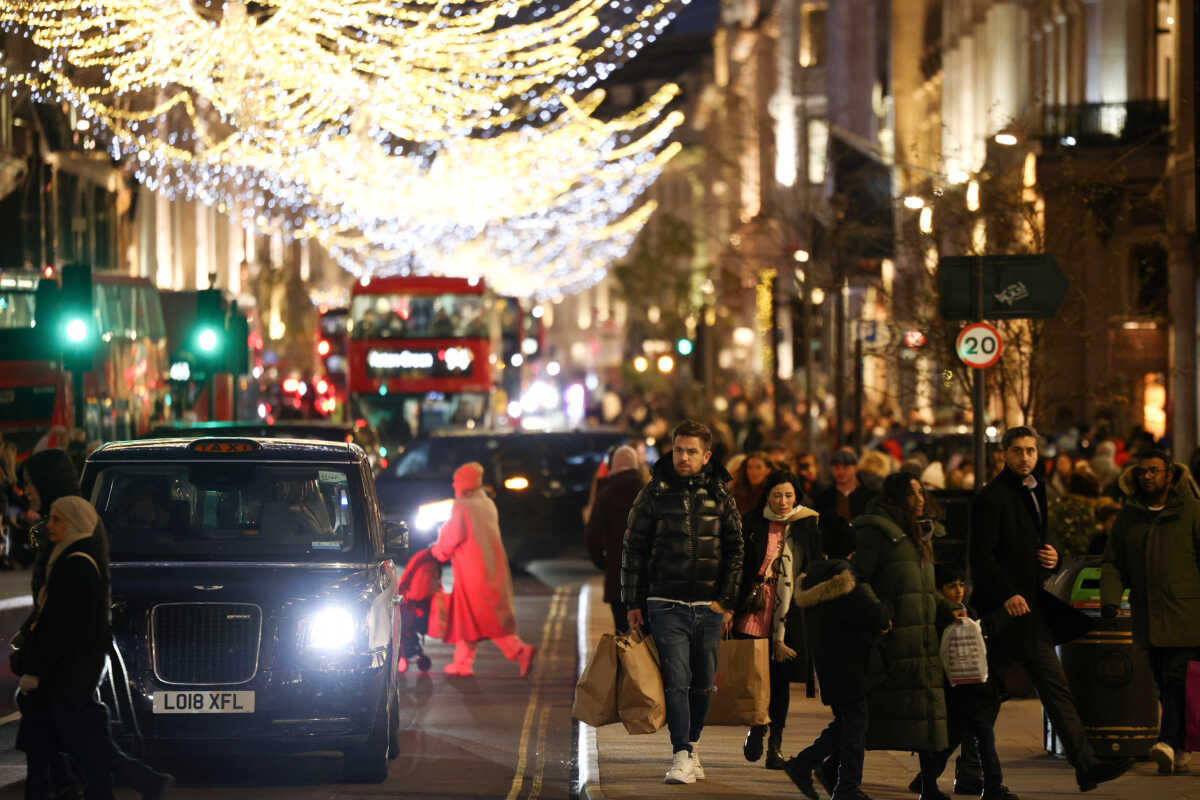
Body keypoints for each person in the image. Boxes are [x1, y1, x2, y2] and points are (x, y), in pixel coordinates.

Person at [971, 426, 1133, 792]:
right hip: (1008, 612)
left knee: (1015, 692)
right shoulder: (992, 498)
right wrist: (1006, 595)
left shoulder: (1036, 491)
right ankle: (1084, 763)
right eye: (1017, 451)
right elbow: (980, 558)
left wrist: (1051, 557)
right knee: (999, 695)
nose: (1024, 457)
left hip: (1030, 611)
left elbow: (1031, 544)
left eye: (1030, 451)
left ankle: (1084, 763)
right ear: (1004, 455)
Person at [11, 496, 173, 799]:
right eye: (51, 518)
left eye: (58, 519)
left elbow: (60, 625)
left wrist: (34, 667)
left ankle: (143, 781)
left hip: (69, 668)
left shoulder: (76, 563)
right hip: (71, 665)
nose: (51, 525)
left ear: (75, 524)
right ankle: (127, 784)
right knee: (64, 738)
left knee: (84, 742)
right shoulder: (70, 556)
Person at [620, 419, 744, 785]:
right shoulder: (653, 493)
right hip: (665, 601)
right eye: (678, 450)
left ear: (706, 455)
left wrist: (726, 602)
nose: (684, 457)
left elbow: (737, 550)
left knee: (703, 683)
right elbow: (633, 548)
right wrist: (632, 601)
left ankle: (692, 743)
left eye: (691, 451)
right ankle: (681, 754)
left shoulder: (721, 495)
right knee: (676, 679)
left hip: (709, 606)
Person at [1100, 449, 1200, 776]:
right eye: (1142, 472)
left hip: (1187, 613)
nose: (1147, 477)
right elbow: (1114, 562)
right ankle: (1181, 747)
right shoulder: (1129, 516)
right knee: (1163, 680)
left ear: (1169, 475)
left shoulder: (1191, 511)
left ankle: (1168, 741)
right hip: (1148, 615)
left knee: (1176, 677)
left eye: (1154, 471)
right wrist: (1110, 600)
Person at [851, 472, 951, 799]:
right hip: (894, 640)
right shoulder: (880, 533)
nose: (921, 499)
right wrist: (878, 611)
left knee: (925, 715)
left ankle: (929, 784)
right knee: (873, 717)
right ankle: (834, 770)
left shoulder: (916, 534)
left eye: (922, 493)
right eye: (913, 494)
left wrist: (950, 609)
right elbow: (857, 578)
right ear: (897, 497)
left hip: (921, 638)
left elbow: (920, 588)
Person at [784, 516, 890, 800]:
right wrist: (887, 614)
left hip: (827, 663)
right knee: (855, 727)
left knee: (847, 723)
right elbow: (875, 613)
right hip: (854, 662)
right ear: (852, 549)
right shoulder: (848, 576)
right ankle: (846, 787)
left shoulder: (812, 575)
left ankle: (811, 766)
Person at [734, 470, 820, 769]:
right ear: (766, 497)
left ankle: (776, 745)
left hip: (791, 613)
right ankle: (757, 729)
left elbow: (815, 564)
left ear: (796, 496)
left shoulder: (808, 524)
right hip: (756, 607)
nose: (782, 502)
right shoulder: (752, 523)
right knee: (757, 678)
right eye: (776, 495)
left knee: (781, 682)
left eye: (788, 495)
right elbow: (739, 567)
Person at [919, 563, 1014, 800]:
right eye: (952, 586)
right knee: (980, 739)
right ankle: (990, 786)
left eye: (962, 585)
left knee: (967, 738)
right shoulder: (947, 615)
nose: (959, 590)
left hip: (967, 689)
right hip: (965, 688)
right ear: (940, 590)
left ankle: (928, 784)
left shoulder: (966, 610)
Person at [431, 462, 535, 677]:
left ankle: (519, 650)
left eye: (456, 480)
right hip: (489, 569)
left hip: (471, 573)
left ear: (464, 484)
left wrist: (437, 551)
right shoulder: (486, 503)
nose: (453, 484)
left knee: (485, 618)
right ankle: (462, 662)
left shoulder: (463, 506)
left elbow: (452, 535)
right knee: (467, 618)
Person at [585, 446, 647, 633]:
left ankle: (624, 662)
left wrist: (604, 563)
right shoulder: (647, 493)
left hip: (617, 576)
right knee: (647, 635)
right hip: (645, 577)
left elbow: (593, 535)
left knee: (622, 633)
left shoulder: (606, 494)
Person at [813, 448, 877, 525]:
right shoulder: (823, 497)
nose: (841, 472)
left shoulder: (868, 496)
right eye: (837, 468)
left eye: (845, 468)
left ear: (856, 468)